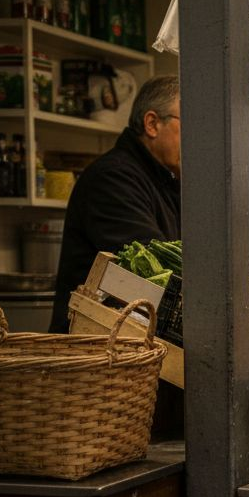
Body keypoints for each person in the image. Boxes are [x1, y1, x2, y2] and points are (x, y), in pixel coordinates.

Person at [50, 75, 182, 332]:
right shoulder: (113, 178)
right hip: (93, 350)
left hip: (130, 343)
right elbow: (150, 269)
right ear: (152, 124)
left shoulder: (165, 177)